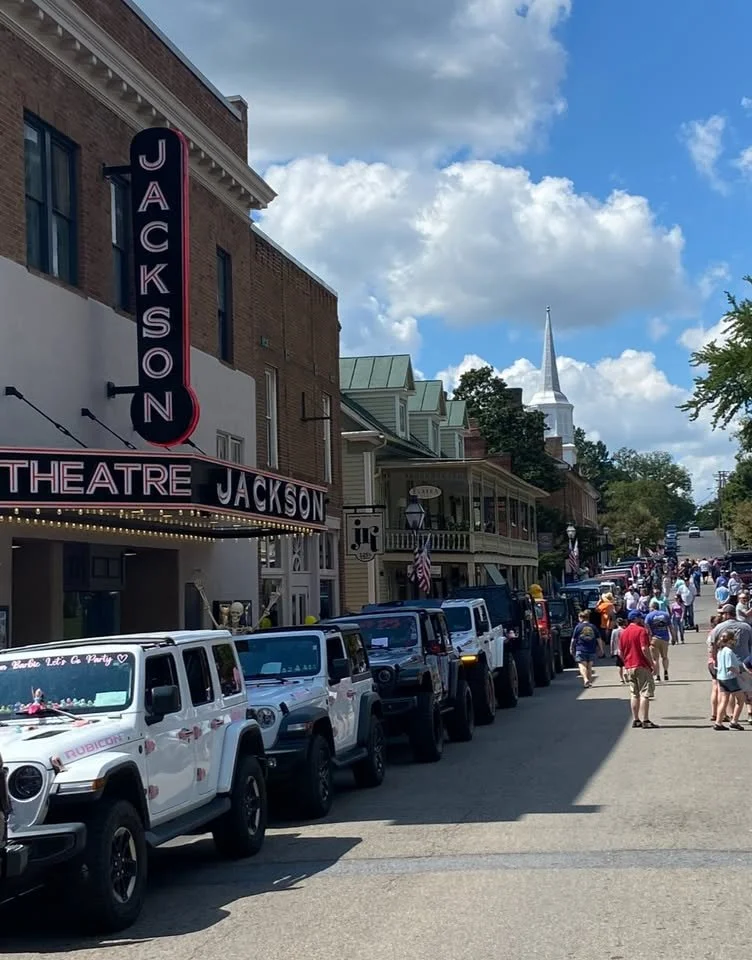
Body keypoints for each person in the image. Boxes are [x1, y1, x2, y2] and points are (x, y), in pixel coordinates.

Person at [619, 609, 658, 729]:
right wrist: (652, 664)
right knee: (644, 693)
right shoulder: (641, 631)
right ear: (635, 619)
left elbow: (620, 652)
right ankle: (645, 720)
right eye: (640, 618)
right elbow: (644, 648)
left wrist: (625, 663)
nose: (642, 620)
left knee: (634, 694)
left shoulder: (623, 633)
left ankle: (636, 719)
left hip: (629, 666)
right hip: (641, 664)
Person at [714, 631, 746, 730]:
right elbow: (729, 666)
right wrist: (740, 674)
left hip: (721, 677)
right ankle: (734, 721)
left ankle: (718, 722)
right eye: (734, 640)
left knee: (724, 700)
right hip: (730, 678)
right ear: (730, 640)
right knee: (741, 699)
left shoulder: (720, 650)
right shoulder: (728, 651)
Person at [570, 610, 604, 688]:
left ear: (581, 618)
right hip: (591, 649)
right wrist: (601, 649)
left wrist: (571, 648)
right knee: (589, 666)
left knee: (582, 665)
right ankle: (589, 682)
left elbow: (573, 639)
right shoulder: (593, 627)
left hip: (580, 649)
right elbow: (599, 639)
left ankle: (585, 680)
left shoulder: (578, 627)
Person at [645, 599, 672, 681]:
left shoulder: (649, 616)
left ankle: (657, 676)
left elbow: (647, 629)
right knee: (665, 657)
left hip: (654, 639)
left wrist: (648, 639)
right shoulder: (665, 615)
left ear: (652, 607)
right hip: (665, 638)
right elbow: (670, 627)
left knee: (655, 659)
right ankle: (666, 672)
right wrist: (674, 637)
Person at [611, 616, 626, 683]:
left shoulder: (614, 631)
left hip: (617, 650)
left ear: (617, 623)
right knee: (626, 663)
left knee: (619, 665)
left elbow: (612, 641)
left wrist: (612, 650)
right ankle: (625, 672)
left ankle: (621, 678)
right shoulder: (625, 630)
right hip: (625, 649)